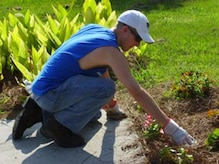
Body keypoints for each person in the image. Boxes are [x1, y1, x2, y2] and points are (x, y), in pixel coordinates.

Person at [12, 10, 195, 148]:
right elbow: (137, 92)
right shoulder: (111, 51)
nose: (137, 45)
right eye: (138, 39)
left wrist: (112, 107)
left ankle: (37, 110)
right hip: (50, 94)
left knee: (94, 115)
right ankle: (58, 127)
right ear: (125, 30)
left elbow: (99, 69)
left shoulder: (95, 30)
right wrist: (171, 127)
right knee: (107, 88)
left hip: (43, 89)